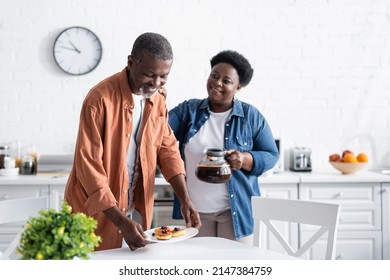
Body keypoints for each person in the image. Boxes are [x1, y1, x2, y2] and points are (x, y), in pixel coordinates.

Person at [64, 32, 200, 251]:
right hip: (92, 213)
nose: (157, 83)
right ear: (130, 62)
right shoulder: (99, 100)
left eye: (164, 76)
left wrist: (185, 198)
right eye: (149, 74)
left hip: (130, 211)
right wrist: (120, 221)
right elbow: (88, 167)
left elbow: (168, 150)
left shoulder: (157, 100)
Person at [168, 50, 279, 243]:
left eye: (226, 81)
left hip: (235, 213)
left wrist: (245, 159)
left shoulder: (251, 116)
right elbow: (160, 131)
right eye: (214, 76)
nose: (217, 83)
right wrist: (157, 102)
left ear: (238, 87)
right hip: (195, 211)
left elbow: (271, 155)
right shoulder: (189, 111)